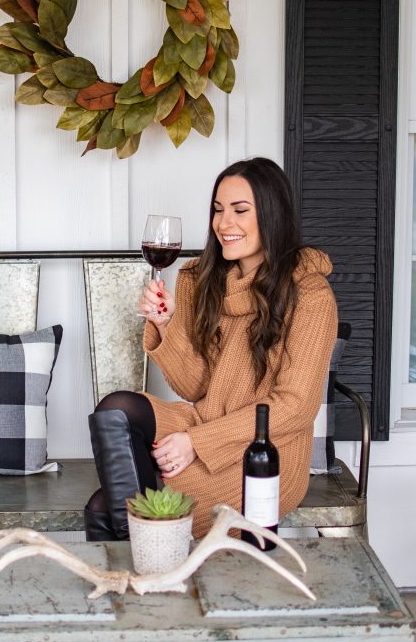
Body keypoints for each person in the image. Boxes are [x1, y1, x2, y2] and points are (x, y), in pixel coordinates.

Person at [83, 156, 338, 541]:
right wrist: (166, 323)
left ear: (272, 215)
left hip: (265, 451)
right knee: (116, 410)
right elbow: (196, 387)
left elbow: (295, 406)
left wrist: (196, 444)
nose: (224, 224)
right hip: (205, 420)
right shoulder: (202, 279)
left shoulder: (310, 295)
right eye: (218, 210)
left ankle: (141, 587)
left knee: (106, 506)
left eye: (240, 210)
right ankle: (156, 578)